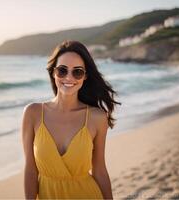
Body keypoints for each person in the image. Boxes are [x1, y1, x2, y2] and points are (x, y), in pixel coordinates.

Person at [21, 40, 121, 199]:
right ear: (53, 72)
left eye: (77, 72)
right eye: (62, 70)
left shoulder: (97, 118)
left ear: (85, 76)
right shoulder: (32, 113)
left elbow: (99, 170)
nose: (69, 77)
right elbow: (30, 169)